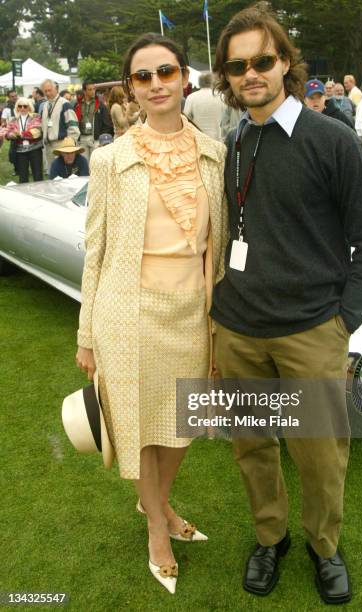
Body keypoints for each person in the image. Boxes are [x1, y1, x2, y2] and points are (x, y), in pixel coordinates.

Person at [212, 5, 362, 604]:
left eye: (262, 60)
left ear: (285, 63)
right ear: (227, 76)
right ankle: (271, 536)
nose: (250, 73)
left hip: (312, 331)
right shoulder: (234, 141)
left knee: (319, 457)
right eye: (237, 66)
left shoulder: (332, 140)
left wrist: (344, 322)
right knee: (253, 447)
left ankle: (323, 547)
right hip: (237, 330)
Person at [75, 32, 228, 595]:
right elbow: (95, 250)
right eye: (143, 76)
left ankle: (156, 506)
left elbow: (222, 242)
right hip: (126, 314)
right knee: (139, 424)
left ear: (186, 77)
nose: (157, 84)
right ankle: (159, 529)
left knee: (179, 424)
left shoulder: (214, 154)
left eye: (166, 72)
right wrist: (87, 333)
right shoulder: (110, 159)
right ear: (130, 88)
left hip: (192, 315)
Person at [41, 79, 80, 169]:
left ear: (56, 89)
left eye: (49, 90)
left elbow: (73, 127)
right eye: (45, 91)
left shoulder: (65, 104)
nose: (47, 93)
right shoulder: (45, 105)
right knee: (53, 174)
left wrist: (69, 148)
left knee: (64, 173)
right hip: (48, 146)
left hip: (62, 145)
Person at [5, 97, 43, 183]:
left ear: (29, 107)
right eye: (20, 106)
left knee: (37, 174)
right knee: (23, 176)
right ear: (17, 107)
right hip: (20, 151)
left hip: (35, 149)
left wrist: (20, 134)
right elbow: (8, 133)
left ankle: (40, 194)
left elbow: (36, 132)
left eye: (25, 106)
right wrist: (11, 134)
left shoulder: (36, 117)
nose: (22, 108)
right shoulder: (13, 119)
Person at [74, 81, 114, 160]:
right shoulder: (78, 105)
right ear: (84, 91)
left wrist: (101, 138)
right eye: (90, 89)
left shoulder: (100, 105)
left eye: (94, 89)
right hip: (82, 138)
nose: (93, 91)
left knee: (96, 162)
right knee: (84, 164)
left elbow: (107, 124)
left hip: (95, 139)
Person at [184, 72, 225, 140]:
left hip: (198, 139)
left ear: (199, 83)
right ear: (212, 82)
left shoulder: (191, 97)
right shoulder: (221, 97)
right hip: (218, 138)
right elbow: (227, 119)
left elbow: (186, 118)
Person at [1, 90, 18, 175]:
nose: (14, 97)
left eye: (15, 95)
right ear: (9, 97)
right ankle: (16, 169)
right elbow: (3, 121)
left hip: (23, 131)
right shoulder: (6, 109)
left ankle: (23, 169)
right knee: (13, 152)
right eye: (12, 96)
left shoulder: (21, 105)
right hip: (12, 133)